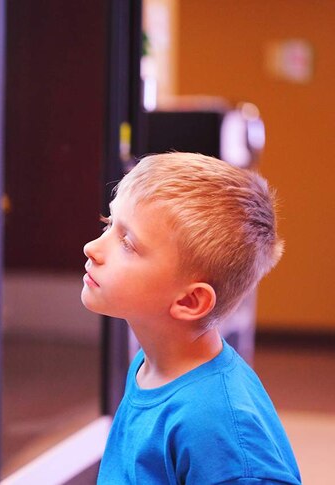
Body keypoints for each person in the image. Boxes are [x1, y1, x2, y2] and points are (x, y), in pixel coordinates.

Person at [83, 152, 301, 484]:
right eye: (109, 224)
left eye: (127, 243)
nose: (92, 248)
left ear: (189, 300)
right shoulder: (150, 365)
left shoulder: (215, 425)